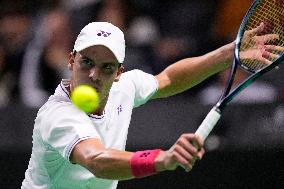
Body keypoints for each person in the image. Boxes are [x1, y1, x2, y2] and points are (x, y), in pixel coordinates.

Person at [21, 22, 279, 189]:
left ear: (119, 72)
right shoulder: (57, 115)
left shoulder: (124, 88)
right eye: (86, 62)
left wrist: (228, 53)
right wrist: (162, 159)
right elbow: (96, 159)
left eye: (106, 67)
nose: (94, 75)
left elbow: (167, 79)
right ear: (71, 60)